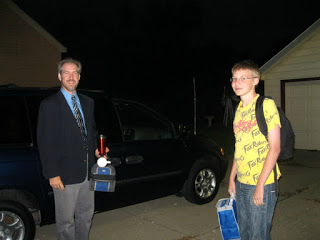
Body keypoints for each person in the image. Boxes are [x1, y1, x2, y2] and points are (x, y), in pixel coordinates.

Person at [37, 58, 108, 240]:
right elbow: (45, 142)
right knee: (66, 222)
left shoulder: (87, 102)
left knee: (85, 216)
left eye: (75, 72)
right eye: (66, 73)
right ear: (59, 76)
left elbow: (90, 131)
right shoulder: (50, 105)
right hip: (64, 175)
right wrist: (52, 173)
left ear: (79, 76)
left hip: (87, 171)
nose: (71, 77)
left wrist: (97, 151)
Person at [228, 60, 281, 240]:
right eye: (234, 78)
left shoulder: (266, 105)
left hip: (262, 183)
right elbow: (238, 148)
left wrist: (260, 185)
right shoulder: (239, 110)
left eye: (243, 78)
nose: (237, 83)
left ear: (255, 80)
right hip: (241, 182)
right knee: (244, 232)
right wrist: (231, 178)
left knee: (259, 235)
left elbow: (275, 148)